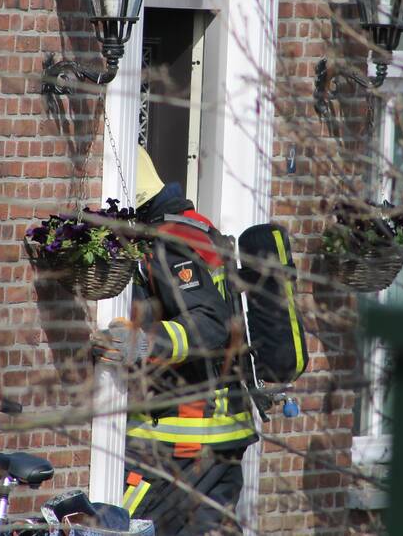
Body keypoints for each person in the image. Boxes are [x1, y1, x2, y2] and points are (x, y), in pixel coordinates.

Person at [90, 147, 258, 535]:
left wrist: (141, 345)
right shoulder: (195, 227)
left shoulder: (166, 242)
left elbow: (209, 325)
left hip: (181, 442)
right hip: (219, 438)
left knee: (123, 527)